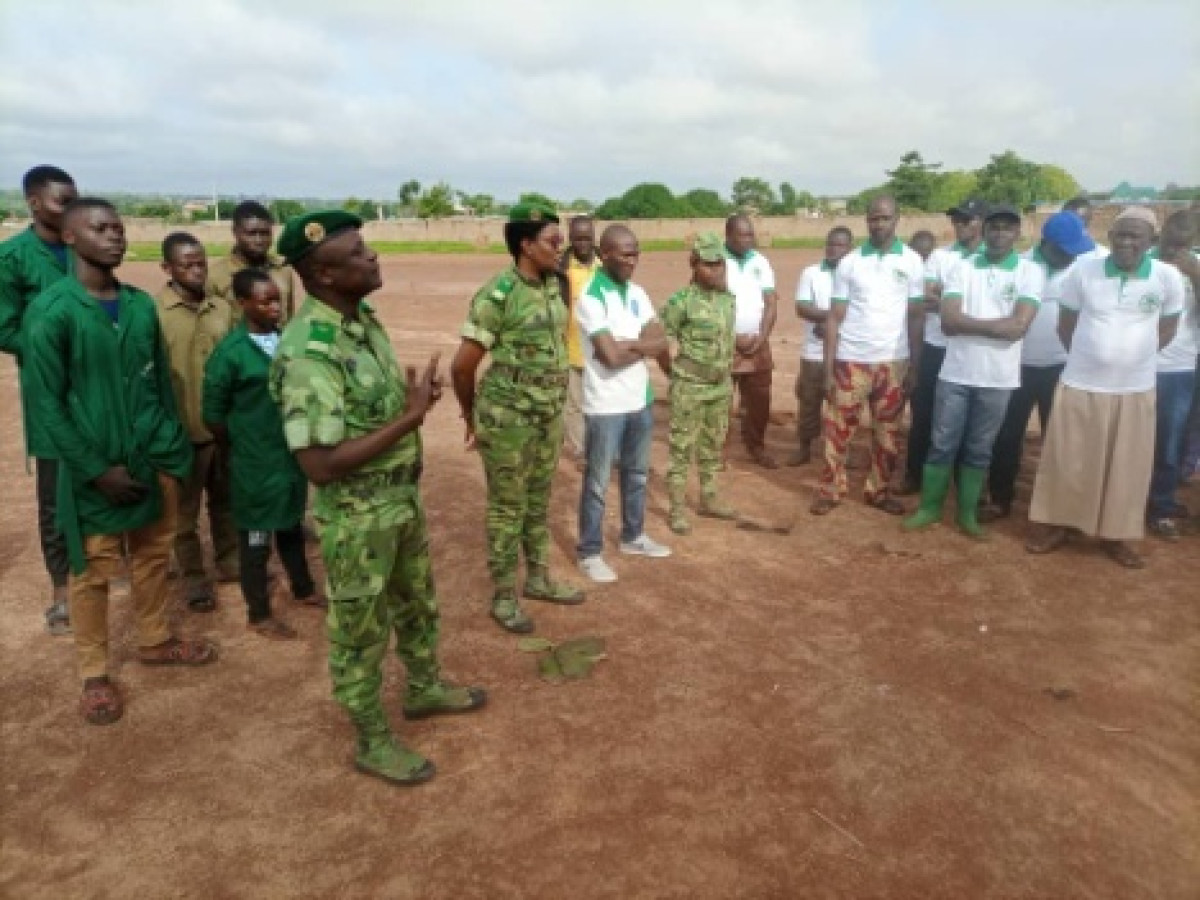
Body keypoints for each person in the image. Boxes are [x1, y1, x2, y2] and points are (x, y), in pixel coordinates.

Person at [272, 210, 485, 786]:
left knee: (416, 602)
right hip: (357, 516)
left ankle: (423, 687)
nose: (373, 258)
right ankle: (371, 737)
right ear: (322, 273)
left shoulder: (361, 320)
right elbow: (319, 464)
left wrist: (410, 402)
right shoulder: (311, 350)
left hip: (398, 502)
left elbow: (365, 416)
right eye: (359, 254)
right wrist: (412, 418)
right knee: (360, 630)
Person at [24, 198, 217, 726]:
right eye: (100, 228)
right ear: (69, 237)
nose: (115, 236)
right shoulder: (52, 311)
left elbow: (155, 382)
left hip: (151, 455)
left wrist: (171, 447)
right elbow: (47, 404)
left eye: (119, 227)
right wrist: (95, 469)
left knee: (155, 552)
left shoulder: (137, 305)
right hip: (95, 469)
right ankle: (94, 673)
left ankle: (154, 639)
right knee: (91, 572)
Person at [450, 201, 584, 634]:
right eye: (551, 240)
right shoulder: (498, 294)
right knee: (508, 507)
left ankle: (540, 579)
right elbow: (462, 366)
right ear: (525, 244)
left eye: (559, 238)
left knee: (538, 501)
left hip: (545, 416)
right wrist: (472, 417)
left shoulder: (553, 284)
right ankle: (505, 594)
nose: (559, 246)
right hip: (507, 420)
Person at [1027, 207, 1185, 569]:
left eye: (1136, 236)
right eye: (1120, 235)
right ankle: (1061, 526)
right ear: (1109, 236)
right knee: (1070, 460)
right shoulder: (1084, 271)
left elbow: (1169, 328)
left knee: (1126, 467)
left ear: (1152, 241)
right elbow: (1065, 326)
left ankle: (1117, 535)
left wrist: (1134, 359)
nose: (1126, 243)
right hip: (1081, 383)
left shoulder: (1167, 277)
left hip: (1134, 389)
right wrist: (1093, 358)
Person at [903, 205, 1043, 537]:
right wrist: (997, 325)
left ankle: (967, 514)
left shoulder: (1030, 272)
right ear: (985, 230)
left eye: (1007, 228)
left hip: (999, 378)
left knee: (980, 448)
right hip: (956, 374)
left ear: (1017, 234)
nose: (999, 233)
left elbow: (1018, 327)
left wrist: (971, 324)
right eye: (994, 227)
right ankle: (929, 508)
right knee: (942, 442)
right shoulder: (962, 268)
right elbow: (948, 323)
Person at [203, 269, 325, 640]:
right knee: (256, 540)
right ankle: (259, 612)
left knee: (290, 525)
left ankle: (303, 588)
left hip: (289, 459)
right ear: (242, 304)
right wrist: (240, 446)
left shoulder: (284, 340)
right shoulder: (231, 354)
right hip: (255, 463)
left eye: (277, 299)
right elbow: (213, 416)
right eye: (265, 300)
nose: (275, 306)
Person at [0, 165, 79, 635]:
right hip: (50, 390)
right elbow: (4, 327)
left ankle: (108, 567)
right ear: (33, 203)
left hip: (100, 388)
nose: (72, 208)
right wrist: (56, 349)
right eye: (62, 201)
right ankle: (63, 591)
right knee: (56, 492)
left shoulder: (82, 247)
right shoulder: (12, 258)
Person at [811, 195, 925, 516]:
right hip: (851, 360)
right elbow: (834, 317)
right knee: (837, 430)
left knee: (887, 433)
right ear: (867, 221)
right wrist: (828, 368)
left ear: (897, 219)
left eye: (885, 218)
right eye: (873, 218)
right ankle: (831, 489)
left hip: (894, 362)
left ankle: (879, 490)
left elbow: (916, 316)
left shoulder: (913, 262)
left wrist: (915, 364)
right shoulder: (850, 263)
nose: (878, 224)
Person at [983, 211, 1096, 521]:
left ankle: (1056, 508)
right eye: (1064, 250)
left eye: (1075, 250)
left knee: (1059, 439)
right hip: (1016, 366)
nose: (1071, 257)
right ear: (1045, 243)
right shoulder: (1020, 265)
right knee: (1007, 436)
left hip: (1062, 367)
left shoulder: (1084, 268)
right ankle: (1000, 497)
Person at [574, 225, 671, 581]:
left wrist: (633, 344)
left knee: (637, 474)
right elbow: (610, 357)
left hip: (639, 399)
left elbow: (657, 337)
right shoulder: (591, 297)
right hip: (605, 405)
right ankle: (589, 551)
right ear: (604, 255)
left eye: (637, 252)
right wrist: (641, 346)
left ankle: (633, 535)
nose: (634, 260)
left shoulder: (638, 293)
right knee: (598, 482)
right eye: (626, 254)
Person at [154, 232, 237, 610]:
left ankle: (229, 561)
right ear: (167, 268)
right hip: (181, 433)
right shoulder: (154, 314)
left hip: (223, 430)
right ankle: (192, 577)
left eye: (201, 262)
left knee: (226, 503)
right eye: (186, 264)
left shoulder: (222, 309)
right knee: (182, 515)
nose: (196, 270)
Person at [898, 198, 987, 495]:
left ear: (982, 222)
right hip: (936, 346)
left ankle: (963, 484)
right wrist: (973, 309)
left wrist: (947, 305)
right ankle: (915, 476)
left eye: (967, 219)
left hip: (974, 350)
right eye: (956, 220)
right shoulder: (940, 256)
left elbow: (940, 301)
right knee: (923, 414)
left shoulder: (993, 257)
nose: (959, 225)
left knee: (969, 420)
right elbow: (926, 300)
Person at [660, 233, 738, 534]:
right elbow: (660, 341)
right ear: (693, 264)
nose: (715, 270)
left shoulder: (727, 299)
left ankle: (709, 499)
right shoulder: (681, 302)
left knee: (712, 446)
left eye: (719, 263)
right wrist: (677, 374)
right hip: (690, 387)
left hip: (720, 387)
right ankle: (677, 509)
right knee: (681, 449)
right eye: (708, 264)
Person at [1146, 211, 1200, 538]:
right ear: (1162, 233)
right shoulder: (1141, 261)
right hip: (1137, 365)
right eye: (1171, 242)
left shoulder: (1195, 266)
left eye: (1183, 244)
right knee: (1131, 438)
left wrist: (1195, 276)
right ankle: (1124, 502)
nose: (1174, 250)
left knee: (1169, 441)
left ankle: (1162, 506)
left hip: (1179, 366)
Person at [789, 226, 853, 467]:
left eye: (839, 245)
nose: (833, 249)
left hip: (846, 352)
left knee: (844, 405)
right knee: (809, 401)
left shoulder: (855, 274)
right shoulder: (811, 273)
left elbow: (860, 311)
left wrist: (831, 325)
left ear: (850, 248)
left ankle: (841, 452)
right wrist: (831, 319)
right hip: (814, 352)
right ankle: (804, 446)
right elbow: (802, 308)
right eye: (830, 243)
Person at [724, 215, 779, 468]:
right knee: (721, 399)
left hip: (758, 344)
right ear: (728, 235)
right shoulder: (715, 260)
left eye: (750, 234)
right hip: (724, 343)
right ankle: (717, 450)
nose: (748, 240)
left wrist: (762, 338)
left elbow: (770, 303)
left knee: (760, 398)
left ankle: (756, 446)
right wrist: (729, 336)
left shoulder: (761, 262)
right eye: (742, 235)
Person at [207, 201, 296, 321]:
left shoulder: (283, 269)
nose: (259, 241)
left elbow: (289, 316)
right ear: (235, 232)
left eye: (265, 233)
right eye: (251, 233)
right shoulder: (215, 276)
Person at [558, 215, 601, 462]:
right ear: (570, 238)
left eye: (587, 238)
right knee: (574, 403)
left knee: (599, 401)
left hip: (601, 349)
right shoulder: (560, 268)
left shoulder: (606, 264)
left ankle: (602, 446)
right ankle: (582, 449)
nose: (582, 244)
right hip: (571, 346)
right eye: (577, 239)